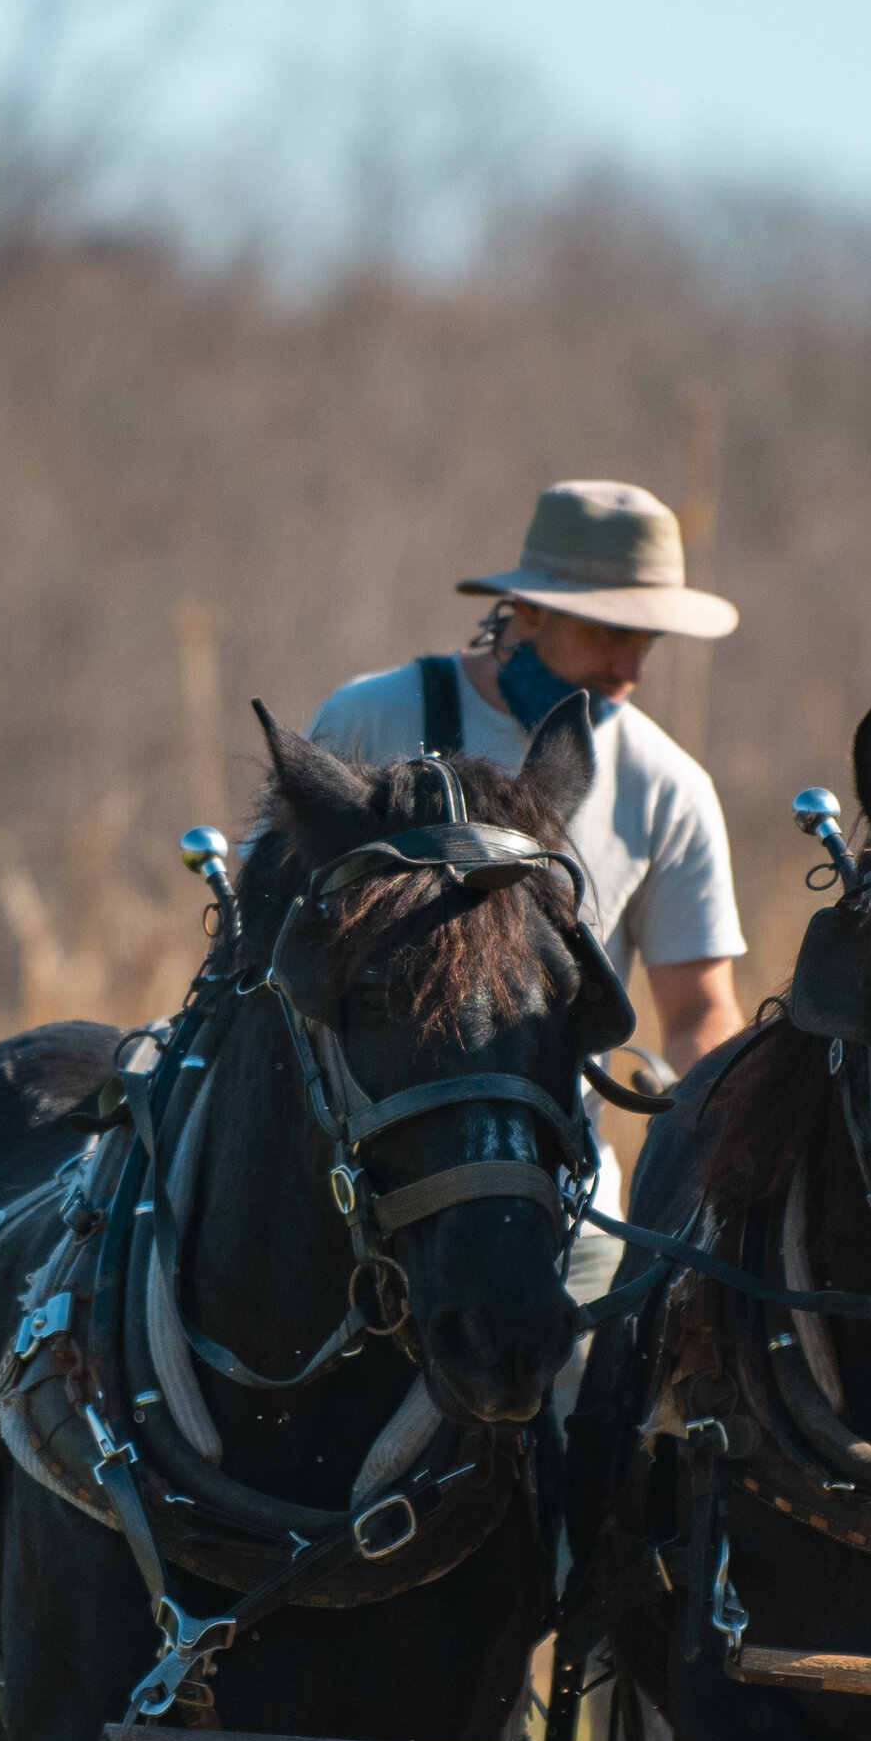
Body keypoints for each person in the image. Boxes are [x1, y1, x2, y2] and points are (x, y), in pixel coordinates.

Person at [306, 481, 749, 1320]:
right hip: (357, 1193)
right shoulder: (373, 716)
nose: (634, 665)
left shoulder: (671, 787)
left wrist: (727, 1165)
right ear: (528, 612)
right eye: (611, 631)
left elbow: (699, 1015)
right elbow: (270, 944)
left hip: (559, 1207)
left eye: (648, 636)